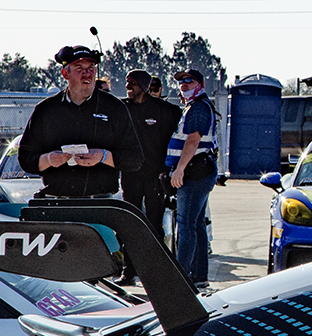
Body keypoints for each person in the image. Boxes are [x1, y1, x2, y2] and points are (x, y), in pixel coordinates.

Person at [18, 45, 143, 198]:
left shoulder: (115, 108)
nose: (87, 74)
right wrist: (48, 159)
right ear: (65, 73)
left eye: (91, 68)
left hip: (101, 204)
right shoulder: (46, 110)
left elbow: (135, 158)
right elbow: (25, 158)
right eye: (79, 68)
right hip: (57, 203)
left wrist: (103, 156)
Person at [116, 68, 182, 286]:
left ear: (143, 86)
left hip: (155, 176)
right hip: (130, 176)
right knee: (129, 223)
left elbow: (181, 132)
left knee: (154, 224)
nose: (128, 87)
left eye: (132, 83)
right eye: (127, 83)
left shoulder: (165, 110)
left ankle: (155, 273)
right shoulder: (122, 109)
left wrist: (169, 168)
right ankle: (129, 272)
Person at [166, 68, 218, 289]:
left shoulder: (198, 108)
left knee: (185, 224)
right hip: (199, 171)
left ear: (201, 84)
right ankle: (198, 275)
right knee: (196, 224)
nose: (184, 85)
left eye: (189, 81)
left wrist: (179, 170)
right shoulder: (194, 106)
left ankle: (181, 276)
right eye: (181, 82)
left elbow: (193, 140)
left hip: (194, 173)